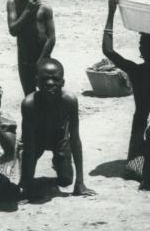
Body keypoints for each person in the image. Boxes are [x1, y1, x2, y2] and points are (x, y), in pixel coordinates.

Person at [102, 0, 150, 179]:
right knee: (141, 170)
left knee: (140, 169)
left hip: (147, 126)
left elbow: (108, 51)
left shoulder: (137, 71)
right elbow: (108, 51)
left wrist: (111, 13)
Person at [20, 58, 94, 199]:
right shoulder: (29, 104)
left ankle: (58, 162)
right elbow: (28, 145)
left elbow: (75, 138)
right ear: (37, 82)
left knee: (66, 181)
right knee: (25, 182)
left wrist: (80, 182)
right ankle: (27, 180)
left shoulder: (69, 101)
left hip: (59, 139)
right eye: (44, 79)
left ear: (63, 82)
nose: (50, 83)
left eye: (55, 79)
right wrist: (27, 185)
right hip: (36, 139)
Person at [7, 0, 56, 95]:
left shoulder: (45, 8)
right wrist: (28, 10)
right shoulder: (13, 4)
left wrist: (41, 60)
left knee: (47, 92)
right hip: (24, 58)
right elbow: (13, 30)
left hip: (43, 56)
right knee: (29, 93)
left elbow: (51, 38)